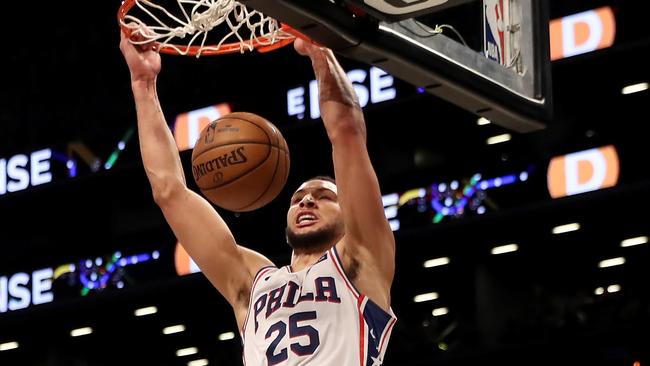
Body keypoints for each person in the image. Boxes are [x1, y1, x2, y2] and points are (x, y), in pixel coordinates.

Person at [119, 27, 397, 365]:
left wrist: (319, 50)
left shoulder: (362, 259)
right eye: (298, 198)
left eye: (324, 196)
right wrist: (143, 84)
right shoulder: (256, 282)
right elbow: (169, 191)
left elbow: (347, 133)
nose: (306, 201)